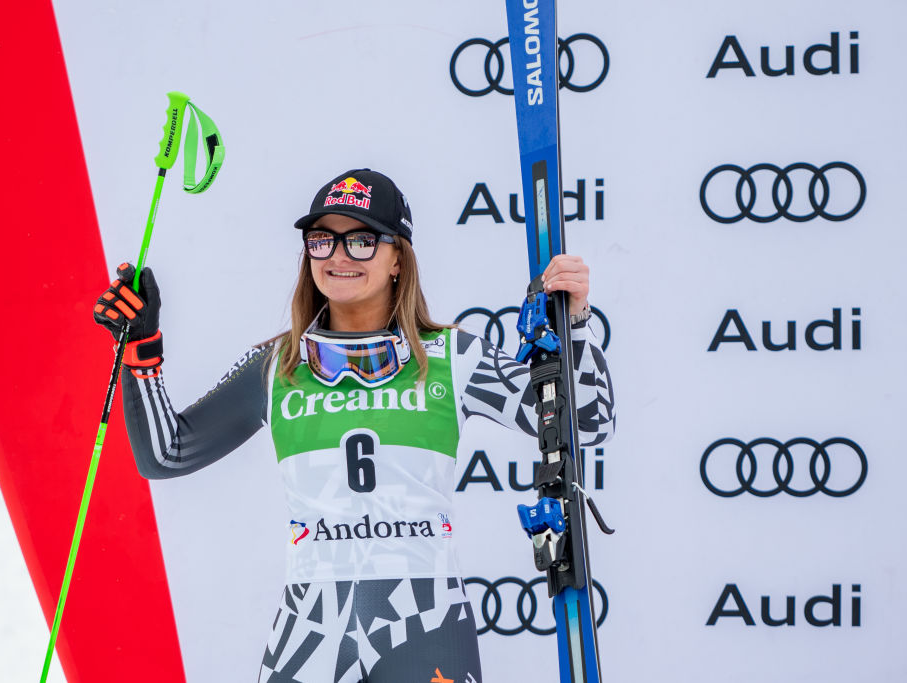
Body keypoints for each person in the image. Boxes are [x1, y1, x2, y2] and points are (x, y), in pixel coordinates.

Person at [93, 168, 615, 683]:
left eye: (362, 240)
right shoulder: (280, 365)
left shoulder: (452, 356)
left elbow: (587, 423)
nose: (339, 256)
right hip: (312, 621)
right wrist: (141, 346)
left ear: (397, 258)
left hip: (423, 617)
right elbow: (167, 454)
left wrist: (575, 322)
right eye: (322, 240)